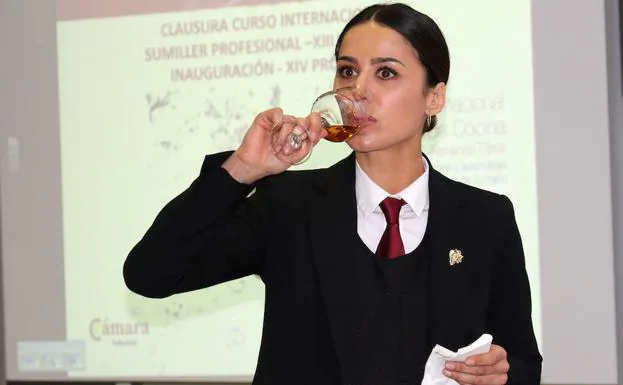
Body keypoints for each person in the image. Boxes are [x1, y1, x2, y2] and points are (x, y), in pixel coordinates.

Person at [123, 3, 542, 384]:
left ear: (434, 96)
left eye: (385, 72)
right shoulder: (288, 205)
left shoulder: (486, 218)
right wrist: (243, 169)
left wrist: (501, 374)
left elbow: (522, 362)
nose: (357, 90)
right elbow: (151, 274)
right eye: (347, 70)